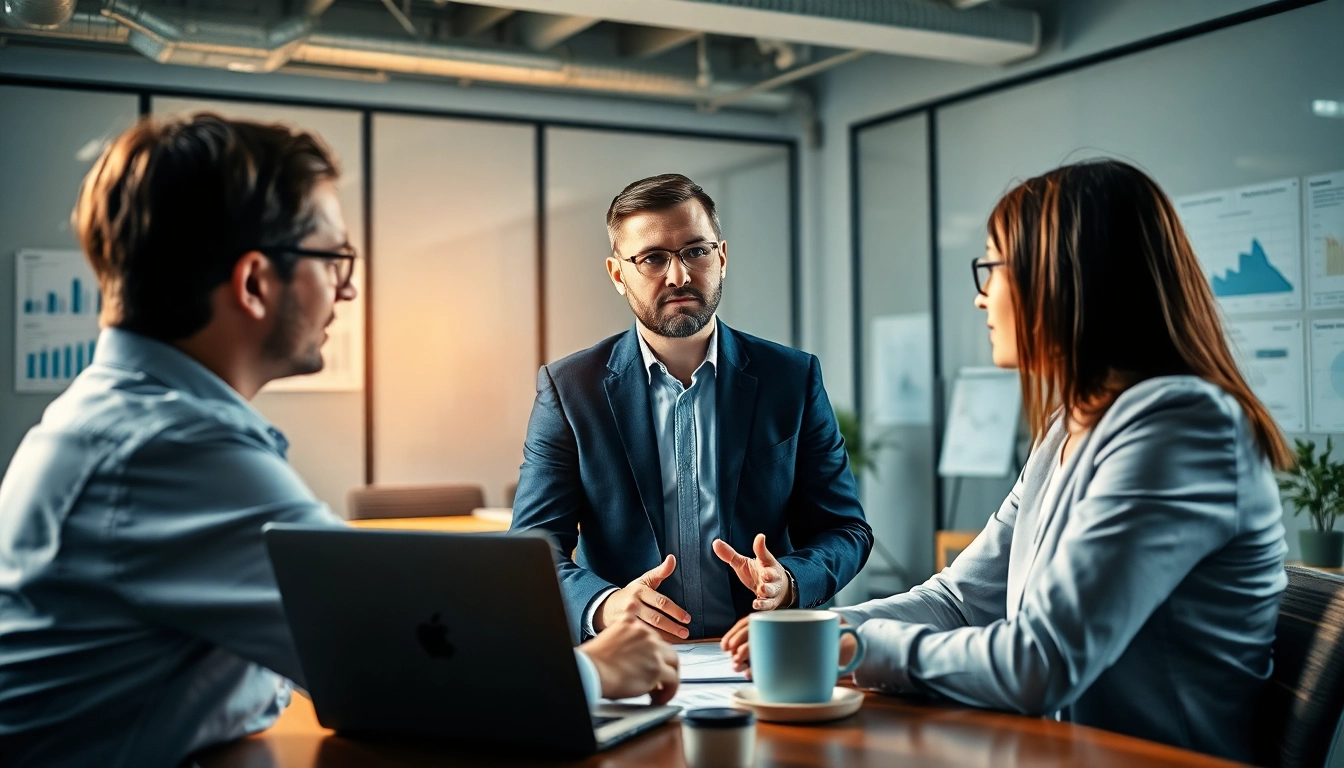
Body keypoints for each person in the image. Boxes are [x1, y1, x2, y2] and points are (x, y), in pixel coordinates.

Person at [0, 115, 677, 768]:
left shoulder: (123, 421)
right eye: (333, 258)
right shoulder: (170, 446)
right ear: (255, 282)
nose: (348, 288)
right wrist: (592, 668)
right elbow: (392, 669)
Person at [722, 159, 1290, 763]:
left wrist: (856, 645)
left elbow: (1042, 661)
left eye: (991, 267)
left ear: (1063, 276)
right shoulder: (1065, 430)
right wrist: (821, 629)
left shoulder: (1181, 428)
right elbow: (960, 602)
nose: (979, 296)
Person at [511, 173, 873, 642]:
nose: (678, 275)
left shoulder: (792, 378)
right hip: (629, 661)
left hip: (764, 656)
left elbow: (844, 529)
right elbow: (533, 547)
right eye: (652, 258)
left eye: (695, 251)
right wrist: (605, 606)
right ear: (618, 274)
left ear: (721, 258)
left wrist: (791, 580)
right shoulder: (569, 390)